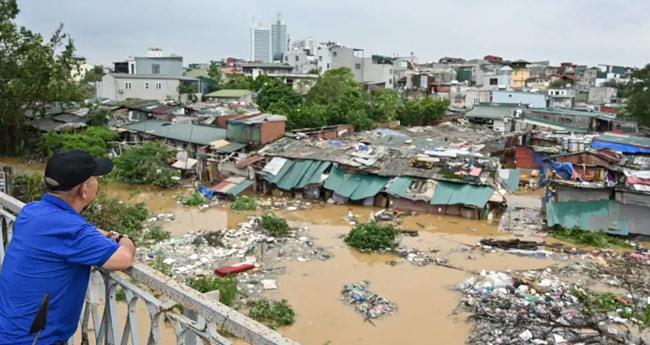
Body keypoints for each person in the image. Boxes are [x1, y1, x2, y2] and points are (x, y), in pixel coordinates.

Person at [0, 150, 136, 345]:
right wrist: (124, 237)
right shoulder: (72, 232)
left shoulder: (32, 211)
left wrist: (104, 234)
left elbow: (72, 230)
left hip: (7, 328)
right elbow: (124, 258)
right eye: (96, 179)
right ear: (84, 189)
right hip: (34, 340)